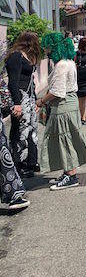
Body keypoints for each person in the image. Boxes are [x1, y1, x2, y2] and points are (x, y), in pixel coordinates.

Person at [38, 32, 86, 190]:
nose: (47, 51)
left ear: (54, 48)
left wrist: (41, 101)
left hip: (63, 106)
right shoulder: (69, 62)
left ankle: (70, 174)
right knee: (66, 138)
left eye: (48, 48)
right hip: (69, 104)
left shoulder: (61, 65)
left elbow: (57, 92)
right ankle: (68, 172)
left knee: (64, 139)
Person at [6, 31, 40, 179]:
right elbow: (13, 81)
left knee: (31, 129)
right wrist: (17, 103)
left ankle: (31, 162)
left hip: (29, 99)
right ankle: (19, 163)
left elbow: (31, 81)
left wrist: (36, 99)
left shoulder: (27, 57)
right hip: (20, 98)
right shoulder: (16, 57)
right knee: (20, 131)